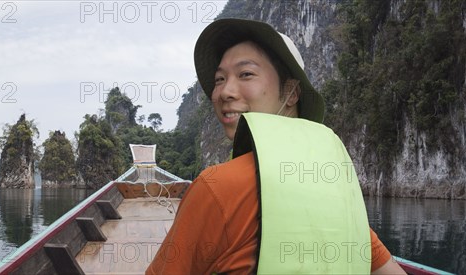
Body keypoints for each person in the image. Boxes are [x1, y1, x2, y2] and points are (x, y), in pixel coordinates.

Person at [146, 19, 406, 274]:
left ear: (292, 93)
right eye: (219, 80)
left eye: (246, 74)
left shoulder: (216, 187)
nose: (225, 92)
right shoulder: (335, 189)